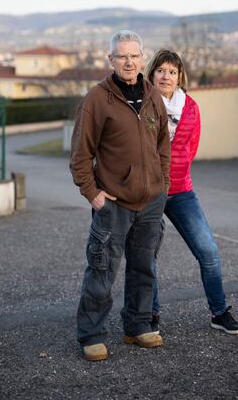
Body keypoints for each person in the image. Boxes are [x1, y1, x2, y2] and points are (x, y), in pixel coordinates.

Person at [70, 30, 171, 361]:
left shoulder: (153, 95)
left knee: (144, 269)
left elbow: (162, 148)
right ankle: (91, 334)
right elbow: (80, 156)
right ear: (110, 60)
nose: (128, 62)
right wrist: (93, 194)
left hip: (151, 203)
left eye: (134, 55)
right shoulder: (96, 100)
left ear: (143, 58)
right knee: (102, 270)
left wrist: (162, 184)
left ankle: (138, 326)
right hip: (113, 204)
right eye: (121, 56)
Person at [145, 49, 238, 335]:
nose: (166, 76)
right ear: (152, 74)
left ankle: (219, 312)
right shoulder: (141, 105)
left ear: (180, 78)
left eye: (172, 72)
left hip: (180, 191)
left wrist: (175, 173)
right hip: (147, 193)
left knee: (209, 252)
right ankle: (151, 314)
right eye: (161, 70)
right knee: (146, 256)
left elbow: (191, 148)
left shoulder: (190, 107)